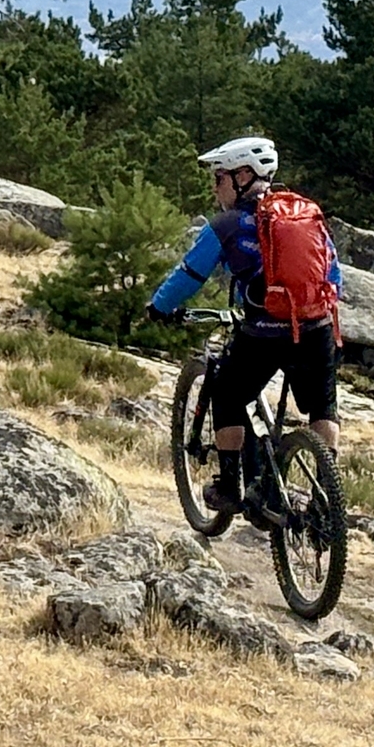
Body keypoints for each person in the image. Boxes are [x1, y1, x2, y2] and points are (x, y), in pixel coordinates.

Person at [145, 135, 342, 515]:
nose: (214, 188)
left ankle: (229, 486)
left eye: (219, 178)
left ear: (243, 176)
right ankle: (326, 502)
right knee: (323, 410)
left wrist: (159, 307)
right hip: (315, 328)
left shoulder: (227, 225)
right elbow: (332, 274)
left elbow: (190, 275)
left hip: (263, 334)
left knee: (227, 394)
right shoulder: (305, 215)